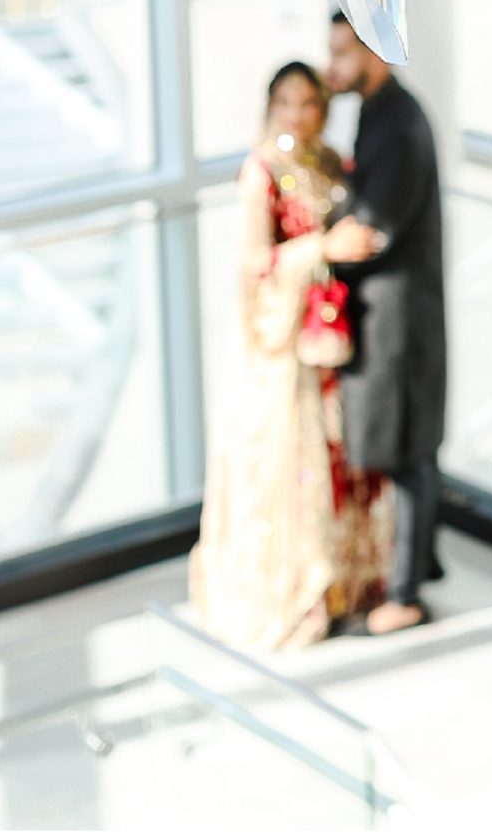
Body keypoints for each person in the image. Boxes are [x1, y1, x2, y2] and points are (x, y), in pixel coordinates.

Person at [189, 62, 391, 650]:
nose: (296, 114)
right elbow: (254, 267)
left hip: (330, 343)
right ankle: (297, 590)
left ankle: (342, 584)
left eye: (307, 103)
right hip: (281, 351)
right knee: (292, 469)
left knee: (338, 457)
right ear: (270, 105)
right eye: (285, 102)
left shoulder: (326, 163)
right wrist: (320, 249)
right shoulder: (262, 172)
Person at [323, 9, 448, 636]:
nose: (332, 68)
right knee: (407, 447)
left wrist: (313, 246)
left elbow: (368, 232)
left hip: (401, 318)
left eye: (344, 55)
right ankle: (415, 570)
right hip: (396, 312)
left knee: (408, 452)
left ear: (375, 54)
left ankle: (406, 591)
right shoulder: (380, 115)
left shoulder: (399, 123)